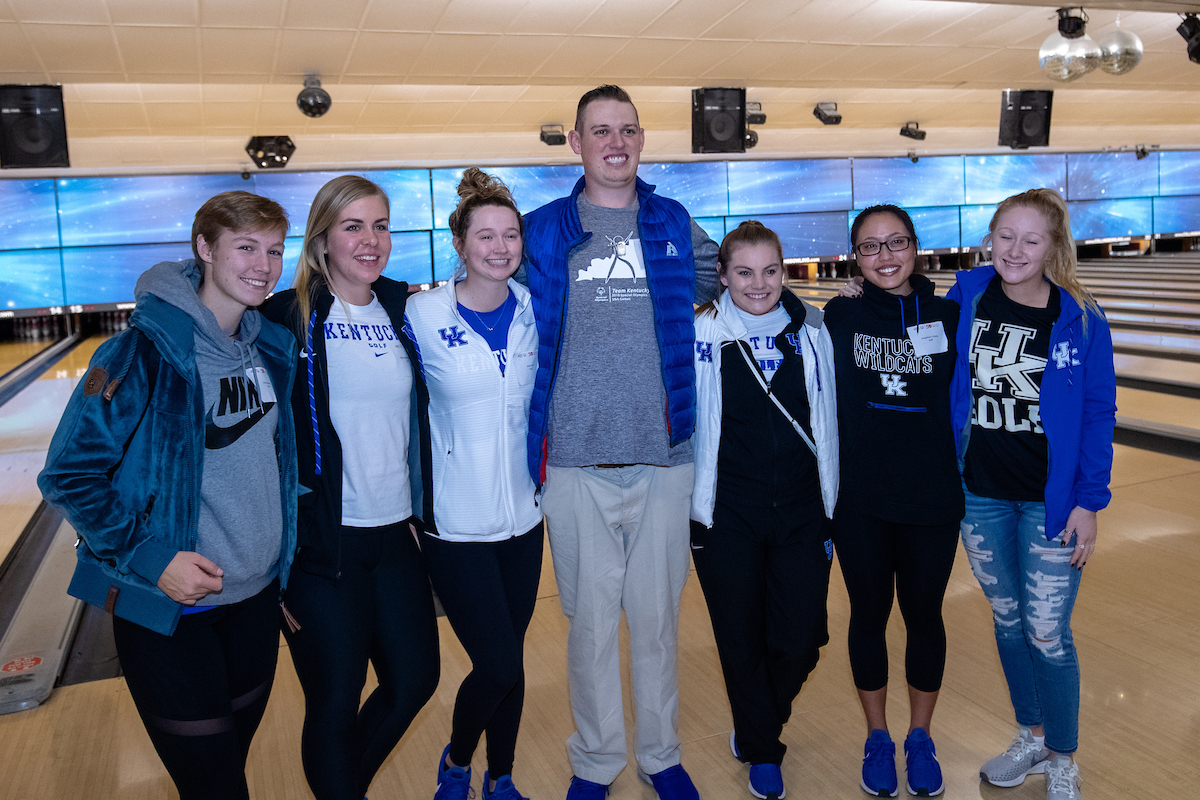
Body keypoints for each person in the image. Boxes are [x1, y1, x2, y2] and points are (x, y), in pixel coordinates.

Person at [38, 191, 297, 800]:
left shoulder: (270, 348)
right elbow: (70, 473)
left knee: (229, 771)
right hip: (172, 612)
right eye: (245, 247)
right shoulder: (140, 351)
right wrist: (155, 560)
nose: (263, 264)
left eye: (274, 250)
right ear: (204, 249)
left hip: (255, 601)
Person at [521, 84, 720, 800]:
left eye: (628, 130)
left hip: (664, 456)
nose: (616, 142)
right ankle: (596, 761)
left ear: (641, 139)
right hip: (573, 460)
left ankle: (661, 756)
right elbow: (490, 286)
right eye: (600, 130)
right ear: (575, 143)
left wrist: (820, 305)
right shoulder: (542, 229)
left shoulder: (671, 218)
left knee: (659, 623)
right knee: (590, 627)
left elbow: (728, 278)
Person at [260, 175, 440, 800]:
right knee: (334, 702)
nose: (371, 240)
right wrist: (275, 557)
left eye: (381, 225)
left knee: (415, 680)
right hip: (321, 546)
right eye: (353, 227)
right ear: (323, 238)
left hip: (395, 535)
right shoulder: (282, 318)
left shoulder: (399, 309)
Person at [948, 189, 1115, 800]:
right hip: (980, 496)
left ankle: (1063, 754)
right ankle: (1031, 734)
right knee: (1008, 619)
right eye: (1004, 236)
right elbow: (913, 343)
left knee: (1048, 632)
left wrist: (1089, 502)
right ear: (989, 237)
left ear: (1053, 247)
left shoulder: (1080, 316)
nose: (1014, 250)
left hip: (1050, 503)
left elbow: (1099, 412)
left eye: (1031, 239)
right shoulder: (965, 296)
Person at [402, 168, 542, 800]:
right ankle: (458, 761)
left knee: (509, 660)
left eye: (510, 235)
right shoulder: (420, 313)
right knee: (501, 663)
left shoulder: (536, 309)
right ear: (459, 242)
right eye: (484, 235)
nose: (499, 247)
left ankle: (502, 775)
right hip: (454, 524)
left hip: (525, 518)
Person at [690, 221, 839, 800]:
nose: (759, 284)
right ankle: (761, 747)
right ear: (723, 276)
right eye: (744, 272)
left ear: (785, 270)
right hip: (726, 514)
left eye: (771, 271)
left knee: (802, 638)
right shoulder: (700, 333)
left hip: (803, 511)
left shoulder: (815, 332)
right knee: (739, 636)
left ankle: (758, 722)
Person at [823, 206, 963, 798]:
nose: (885, 256)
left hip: (932, 498)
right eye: (870, 247)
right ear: (855, 257)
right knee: (869, 616)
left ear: (915, 246)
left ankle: (920, 737)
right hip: (862, 500)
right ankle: (878, 736)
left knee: (925, 617)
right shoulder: (840, 313)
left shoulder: (950, 314)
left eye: (896, 242)